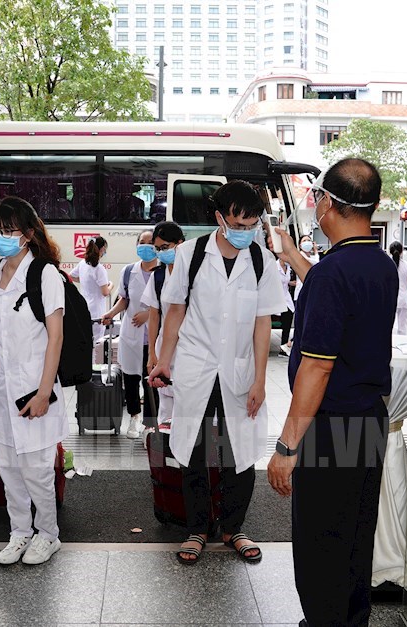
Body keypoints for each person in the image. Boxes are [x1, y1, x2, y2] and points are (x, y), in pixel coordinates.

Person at [267, 158, 397, 627]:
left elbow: (317, 369)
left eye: (319, 196)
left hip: (330, 428)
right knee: (354, 539)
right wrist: (292, 257)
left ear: (329, 204)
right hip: (367, 421)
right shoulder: (380, 264)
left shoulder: (331, 274)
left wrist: (287, 447)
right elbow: (335, 291)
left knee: (321, 546)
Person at [149, 180, 286, 565]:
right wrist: (163, 360)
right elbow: (175, 312)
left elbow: (263, 322)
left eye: (252, 225)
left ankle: (233, 529)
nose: (245, 232)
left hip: (239, 371)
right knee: (193, 450)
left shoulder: (261, 260)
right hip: (196, 367)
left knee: (238, 451)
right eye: (238, 225)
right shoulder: (190, 254)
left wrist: (260, 379)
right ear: (219, 218)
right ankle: (197, 529)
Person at [0, 197, 67, 566]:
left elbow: (56, 337)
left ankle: (48, 534)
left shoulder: (44, 274)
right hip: (0, 386)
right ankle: (19, 532)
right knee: (8, 466)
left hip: (34, 386)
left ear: (28, 234)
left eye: (7, 231)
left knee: (36, 469)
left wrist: (44, 392)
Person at [101, 230, 158, 438]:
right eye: (142, 242)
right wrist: (110, 313)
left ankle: (150, 424)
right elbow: (124, 299)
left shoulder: (164, 272)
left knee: (151, 380)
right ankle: (134, 417)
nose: (145, 246)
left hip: (154, 337)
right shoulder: (128, 271)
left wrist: (148, 314)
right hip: (131, 335)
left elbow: (171, 305)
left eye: (150, 243)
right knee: (131, 378)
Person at [142, 221, 185, 426]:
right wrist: (152, 353)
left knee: (188, 408)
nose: (161, 253)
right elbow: (154, 317)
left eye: (165, 247)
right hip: (164, 349)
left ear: (180, 243)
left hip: (191, 347)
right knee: (166, 409)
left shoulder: (194, 274)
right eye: (157, 249)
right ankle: (165, 442)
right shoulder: (158, 277)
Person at [71, 235, 111, 343]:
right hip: (96, 312)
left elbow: (71, 276)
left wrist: (85, 281)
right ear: (102, 249)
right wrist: (111, 285)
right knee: (96, 343)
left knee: (85, 341)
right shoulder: (99, 269)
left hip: (83, 308)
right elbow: (105, 292)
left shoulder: (82, 264)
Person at [389, 241, 407, 335]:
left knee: (388, 325)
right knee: (403, 326)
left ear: (390, 251)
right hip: (403, 298)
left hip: (390, 297)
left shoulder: (386, 264)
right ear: (401, 252)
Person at [276, 256, 296, 357]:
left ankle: (283, 347)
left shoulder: (289, 268)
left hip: (286, 298)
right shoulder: (274, 267)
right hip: (275, 298)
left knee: (287, 321)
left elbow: (285, 281)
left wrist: (290, 283)